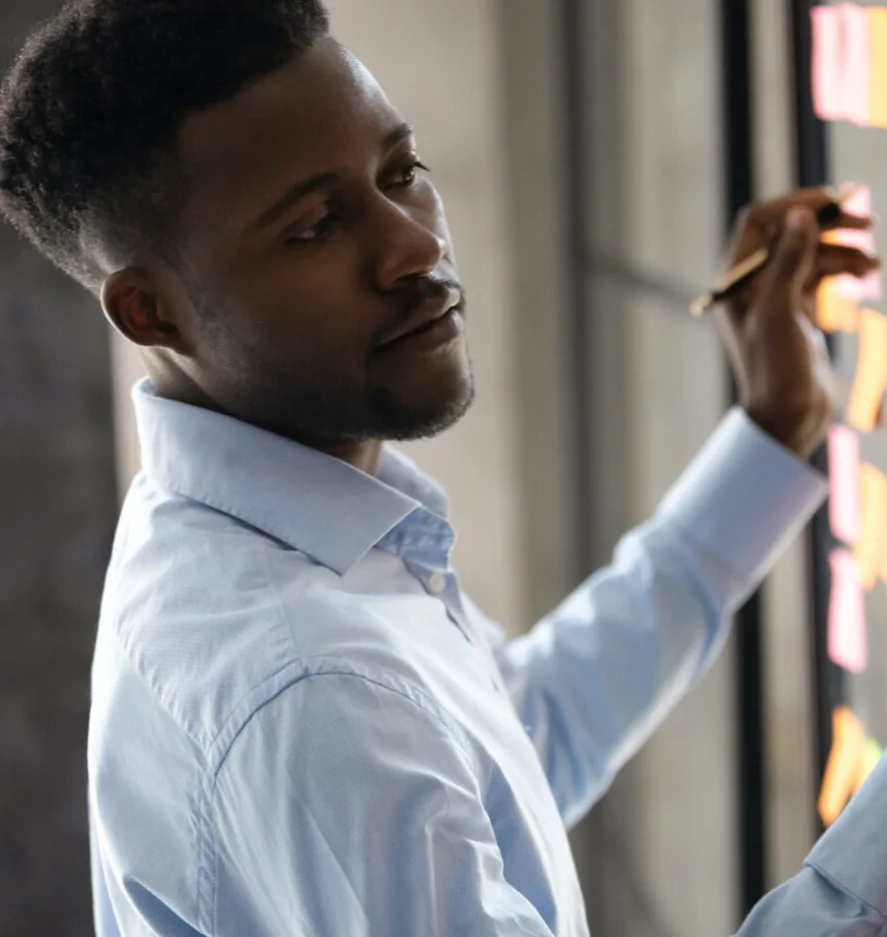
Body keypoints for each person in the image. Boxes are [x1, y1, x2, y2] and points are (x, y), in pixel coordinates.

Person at [0, 2, 884, 935]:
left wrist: (774, 428)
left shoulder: (253, 540)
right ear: (150, 313)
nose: (416, 246)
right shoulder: (307, 684)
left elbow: (515, 745)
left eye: (402, 173)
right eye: (315, 227)